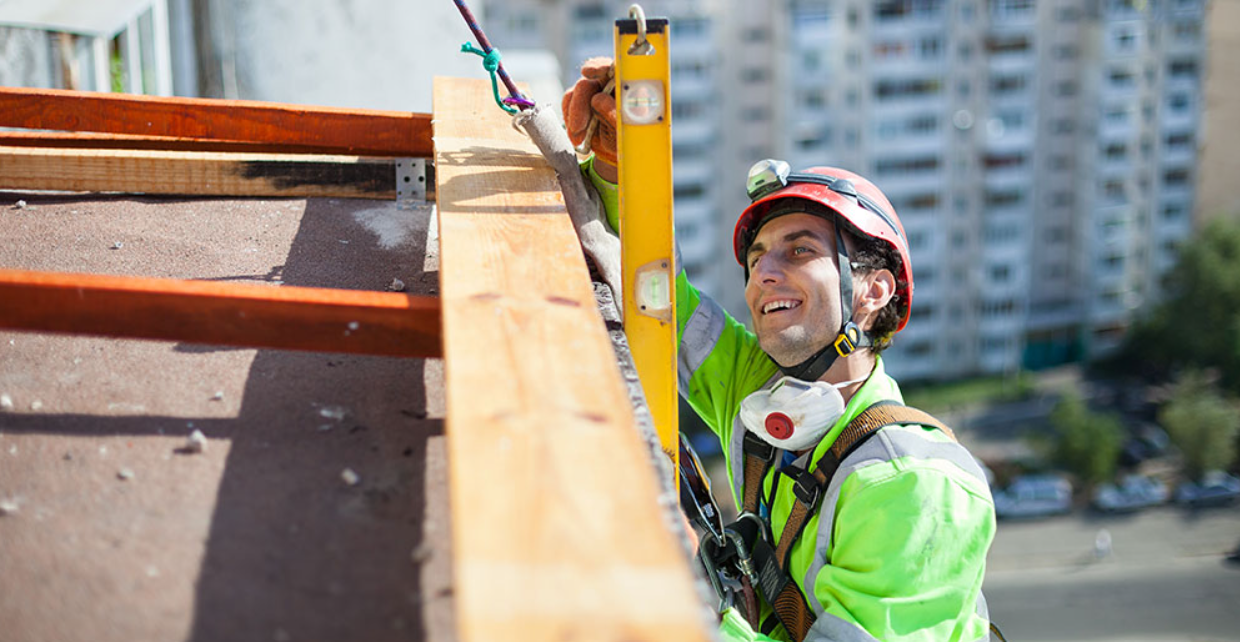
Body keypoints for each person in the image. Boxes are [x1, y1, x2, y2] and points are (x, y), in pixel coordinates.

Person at [564, 59, 997, 642]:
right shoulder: (762, 396)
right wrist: (620, 164)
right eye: (757, 257)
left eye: (798, 252)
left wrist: (678, 614)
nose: (762, 272)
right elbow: (658, 296)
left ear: (873, 290)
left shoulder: (915, 483)